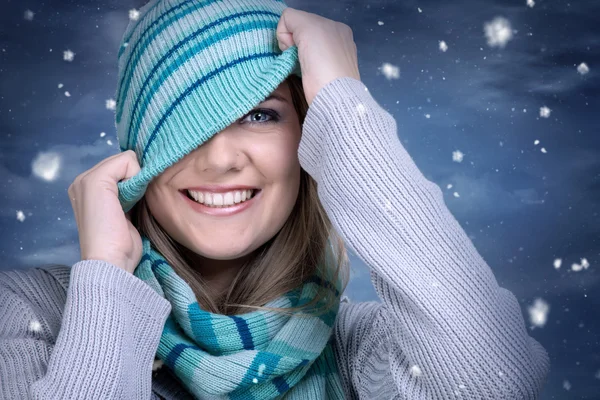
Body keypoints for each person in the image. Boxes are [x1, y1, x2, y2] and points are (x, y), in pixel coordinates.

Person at [0, 0, 550, 399]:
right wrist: (108, 283)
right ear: (135, 156)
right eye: (182, 123)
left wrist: (346, 108)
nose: (219, 159)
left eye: (260, 114)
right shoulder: (32, 314)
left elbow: (492, 382)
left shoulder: (363, 351)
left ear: (309, 136)